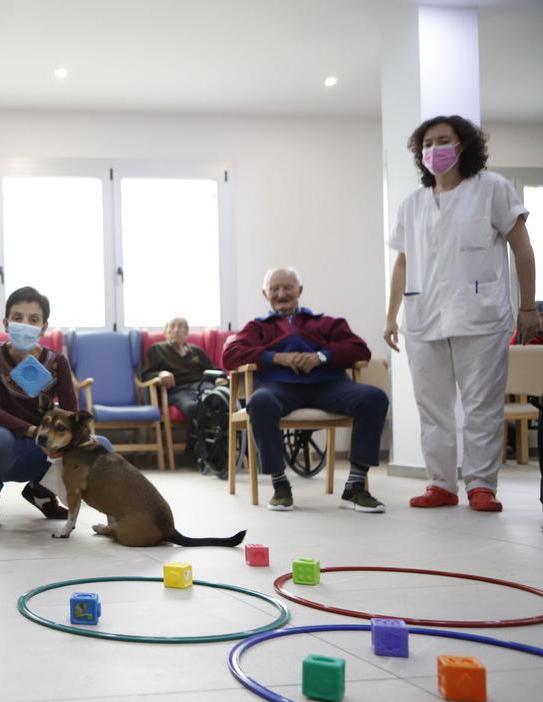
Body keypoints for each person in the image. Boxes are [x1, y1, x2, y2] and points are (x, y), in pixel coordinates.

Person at [384, 115, 538, 512]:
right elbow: (402, 264)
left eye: (443, 140)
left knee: (481, 405)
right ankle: (441, 483)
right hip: (424, 316)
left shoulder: (492, 189)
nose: (435, 149)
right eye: (428, 144)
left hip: (481, 315)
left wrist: (527, 307)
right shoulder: (412, 203)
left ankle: (481, 485)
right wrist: (390, 317)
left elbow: (522, 247)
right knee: (432, 407)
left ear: (463, 145)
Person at [223, 268, 389, 513]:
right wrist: (277, 358)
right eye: (274, 288)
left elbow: (359, 349)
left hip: (328, 385)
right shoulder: (257, 327)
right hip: (278, 387)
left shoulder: (326, 323)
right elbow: (230, 356)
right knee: (259, 402)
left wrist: (322, 356)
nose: (281, 293)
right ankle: (280, 485)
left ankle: (355, 487)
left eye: (288, 287)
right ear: (265, 294)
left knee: (374, 398)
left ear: (299, 290)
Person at [0, 286, 78, 527]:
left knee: (97, 444)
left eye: (33, 319)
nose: (25, 324)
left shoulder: (57, 361)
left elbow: (72, 415)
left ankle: (40, 491)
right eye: (18, 318)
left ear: (44, 327)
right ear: (6, 324)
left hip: (42, 451)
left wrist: (58, 440)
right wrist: (34, 431)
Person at [140, 316, 217, 421]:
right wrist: (160, 374)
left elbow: (213, 369)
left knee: (218, 400)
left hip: (203, 386)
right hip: (177, 390)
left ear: (186, 333)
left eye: (180, 327)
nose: (176, 330)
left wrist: (218, 378)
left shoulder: (196, 351)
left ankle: (223, 436)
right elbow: (145, 375)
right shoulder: (157, 349)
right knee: (191, 407)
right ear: (165, 332)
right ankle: (199, 436)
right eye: (172, 327)